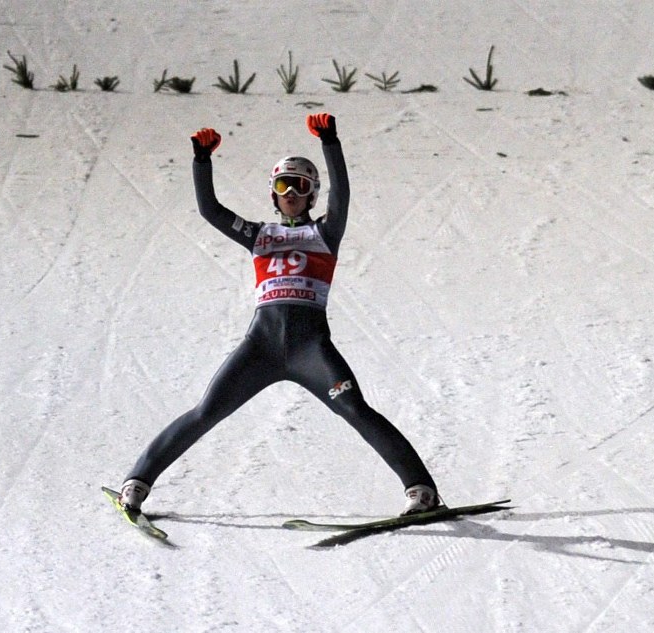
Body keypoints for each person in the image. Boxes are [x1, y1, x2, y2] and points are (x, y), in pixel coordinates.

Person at [119, 113, 440, 516]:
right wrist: (202, 160)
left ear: (312, 195)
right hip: (261, 347)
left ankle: (421, 490)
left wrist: (330, 143)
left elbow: (342, 195)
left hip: (311, 350)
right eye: (282, 185)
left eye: (300, 186)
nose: (290, 192)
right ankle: (137, 483)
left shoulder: (325, 233)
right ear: (272, 193)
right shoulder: (259, 235)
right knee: (206, 412)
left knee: (356, 410)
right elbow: (210, 210)